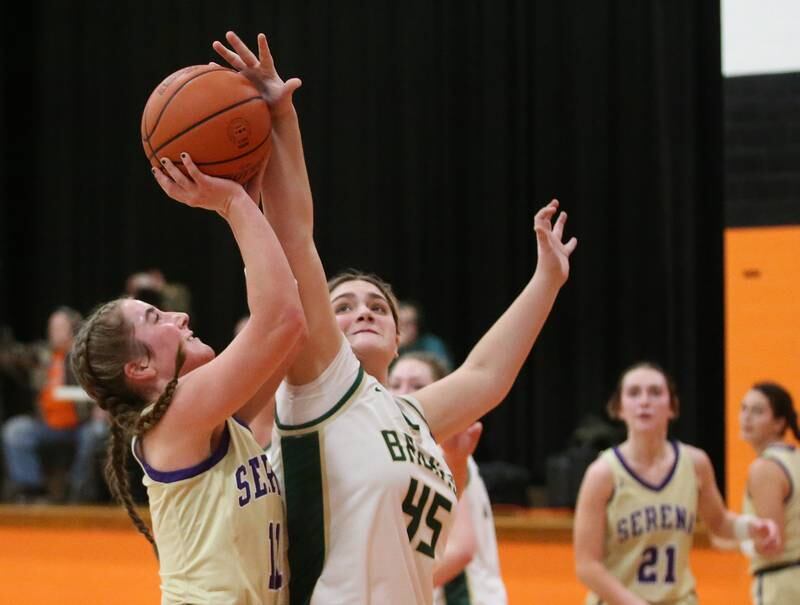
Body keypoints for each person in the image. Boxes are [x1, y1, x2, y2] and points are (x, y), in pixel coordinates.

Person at [214, 30, 576, 605]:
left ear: (401, 336)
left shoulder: (407, 414)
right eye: (344, 305)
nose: (365, 311)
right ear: (318, 326)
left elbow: (487, 376)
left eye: (378, 305)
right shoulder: (319, 385)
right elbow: (294, 239)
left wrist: (546, 281)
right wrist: (282, 120)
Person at [70, 144, 306, 604]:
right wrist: (234, 205)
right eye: (156, 318)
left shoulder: (210, 418)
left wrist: (251, 213)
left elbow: (291, 330)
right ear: (138, 367)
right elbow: (283, 319)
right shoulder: (175, 415)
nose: (178, 315)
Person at [573, 362, 781, 605]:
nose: (644, 401)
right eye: (633, 393)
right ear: (619, 408)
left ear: (672, 407)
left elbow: (719, 522)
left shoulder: (695, 463)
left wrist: (751, 528)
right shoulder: (602, 474)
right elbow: (587, 565)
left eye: (655, 392)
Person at [389, 352, 508, 605]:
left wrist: (393, 592)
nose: (404, 392)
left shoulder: (443, 448)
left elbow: (461, 549)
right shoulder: (408, 450)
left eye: (418, 385)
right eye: (395, 384)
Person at [2, 306, 108, 503]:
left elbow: (105, 386)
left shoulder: (87, 355)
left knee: (95, 432)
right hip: (46, 424)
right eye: (52, 327)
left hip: (80, 424)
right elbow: (15, 357)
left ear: (73, 329)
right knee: (15, 431)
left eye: (59, 327)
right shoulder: (43, 355)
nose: (53, 332)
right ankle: (31, 490)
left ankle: (77, 491)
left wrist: (101, 408)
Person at [738, 382, 800, 604]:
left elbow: (772, 545)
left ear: (779, 423)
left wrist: (738, 539)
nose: (746, 417)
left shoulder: (765, 468)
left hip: (783, 586)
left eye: (757, 411)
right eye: (743, 408)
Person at [398, 301, 453, 369]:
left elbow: (443, 370)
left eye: (410, 323)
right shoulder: (391, 345)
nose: (405, 328)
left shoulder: (431, 344)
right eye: (401, 323)